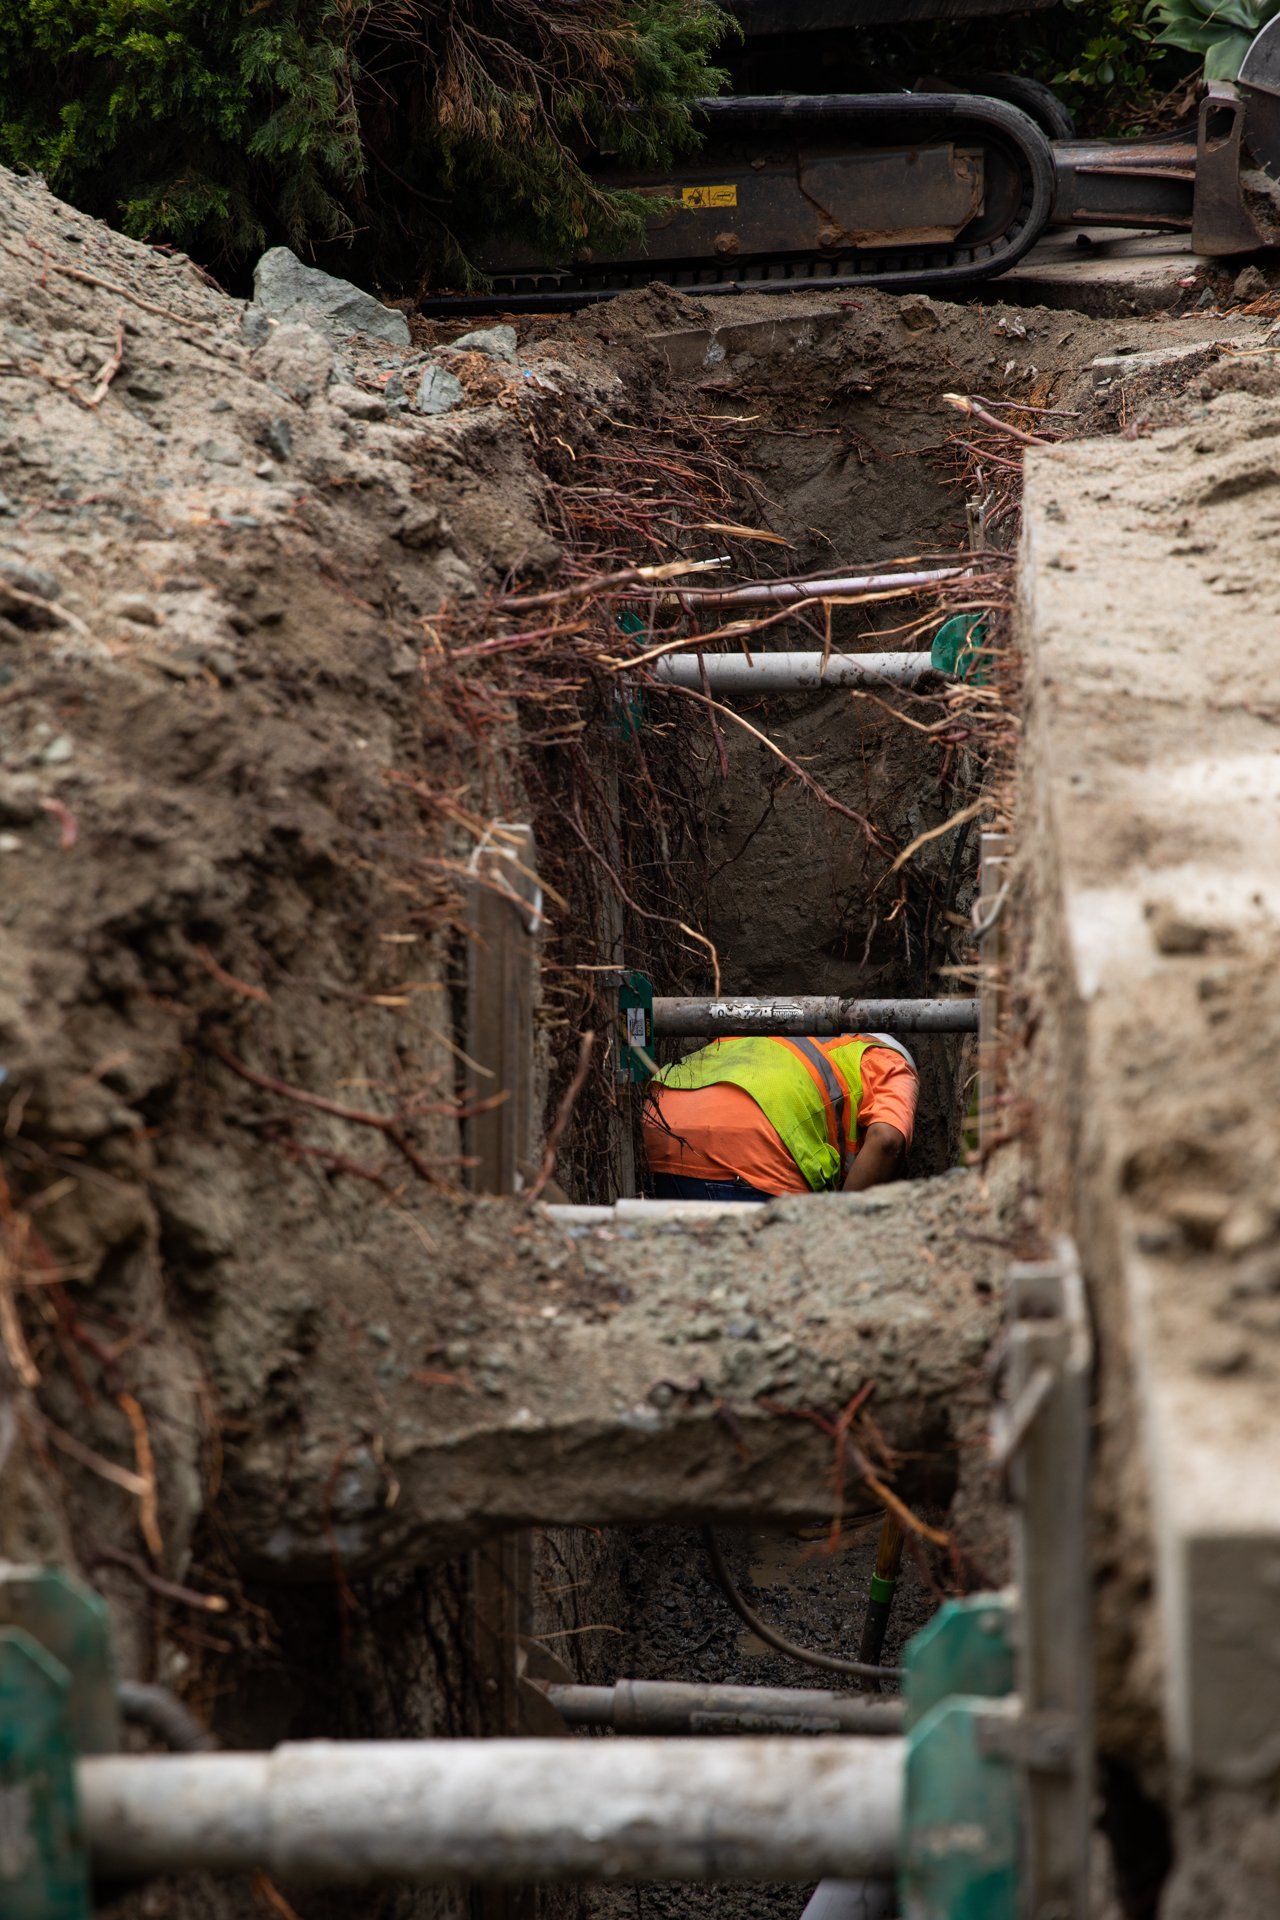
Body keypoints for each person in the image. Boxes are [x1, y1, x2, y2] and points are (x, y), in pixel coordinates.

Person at [643, 1032, 918, 1202]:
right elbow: (887, 1140)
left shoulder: (785, 1038)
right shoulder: (888, 1059)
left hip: (662, 1127)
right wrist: (839, 1225)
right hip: (749, 1152)